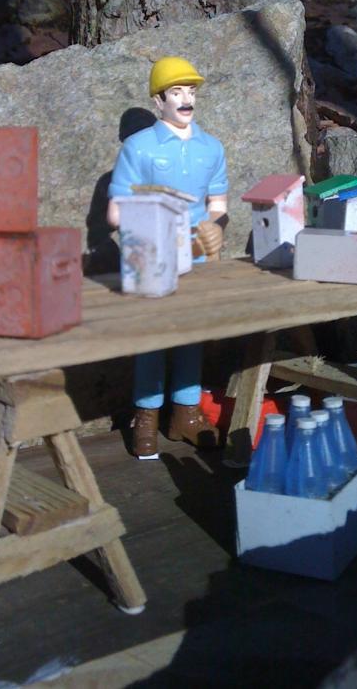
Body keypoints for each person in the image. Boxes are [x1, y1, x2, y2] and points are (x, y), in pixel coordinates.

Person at [107, 56, 229, 459]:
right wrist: (144, 225)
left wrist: (214, 224)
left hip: (194, 257)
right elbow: (116, 209)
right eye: (176, 92)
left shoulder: (210, 148)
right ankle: (145, 415)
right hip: (150, 255)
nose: (186, 99)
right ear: (159, 100)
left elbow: (218, 202)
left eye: (190, 91)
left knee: (192, 334)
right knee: (152, 338)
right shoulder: (138, 148)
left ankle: (186, 413)